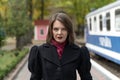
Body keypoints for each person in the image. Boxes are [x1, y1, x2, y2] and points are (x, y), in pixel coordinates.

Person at [28, 12, 92, 80]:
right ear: (51, 31)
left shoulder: (79, 52)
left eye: (63, 29)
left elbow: (86, 77)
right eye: (56, 29)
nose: (59, 33)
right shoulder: (39, 51)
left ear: (68, 31)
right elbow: (35, 78)